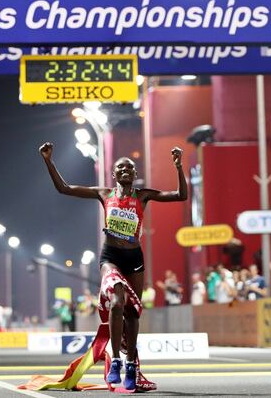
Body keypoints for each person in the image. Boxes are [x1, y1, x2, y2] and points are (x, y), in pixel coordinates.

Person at [40, 142, 187, 391]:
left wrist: (178, 167)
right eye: (121, 168)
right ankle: (116, 361)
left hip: (134, 259)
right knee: (117, 301)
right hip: (111, 257)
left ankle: (131, 364)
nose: (126, 170)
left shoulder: (143, 196)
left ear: (135, 174)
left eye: (130, 168)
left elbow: (180, 195)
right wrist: (48, 160)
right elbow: (64, 189)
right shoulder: (104, 194)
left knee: (132, 313)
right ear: (114, 173)